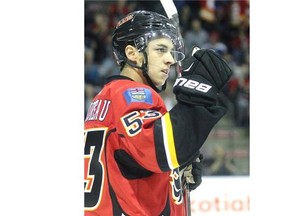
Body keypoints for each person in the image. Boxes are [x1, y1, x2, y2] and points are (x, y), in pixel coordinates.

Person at [84, 10, 232, 216]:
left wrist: (177, 169)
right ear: (132, 53)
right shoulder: (131, 93)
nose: (170, 59)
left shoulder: (106, 97)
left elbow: (134, 161)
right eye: (160, 50)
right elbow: (159, 150)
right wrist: (198, 91)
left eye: (171, 52)